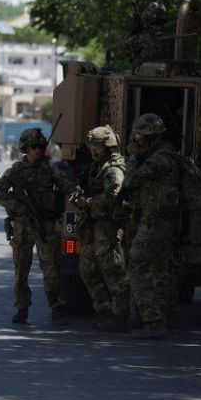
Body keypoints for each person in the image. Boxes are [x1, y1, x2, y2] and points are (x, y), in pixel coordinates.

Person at [0, 128, 75, 326]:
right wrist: (18, 207)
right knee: (21, 269)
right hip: (23, 227)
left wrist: (82, 198)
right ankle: (22, 309)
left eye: (41, 146)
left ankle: (57, 308)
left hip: (45, 225)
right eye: (34, 147)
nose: (38, 150)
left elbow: (68, 187)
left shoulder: (50, 169)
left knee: (51, 269)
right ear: (25, 148)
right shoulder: (15, 171)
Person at [122, 113, 181, 339]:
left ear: (150, 137)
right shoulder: (162, 156)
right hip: (157, 220)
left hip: (155, 221)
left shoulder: (159, 160)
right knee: (160, 268)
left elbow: (130, 181)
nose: (137, 140)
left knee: (136, 264)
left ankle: (152, 320)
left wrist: (134, 158)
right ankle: (169, 314)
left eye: (139, 136)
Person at [71, 125, 131, 332]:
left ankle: (121, 314)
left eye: (96, 146)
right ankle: (104, 311)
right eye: (91, 146)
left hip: (108, 225)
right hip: (93, 226)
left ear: (107, 146)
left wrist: (87, 202)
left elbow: (111, 197)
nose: (92, 150)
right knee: (87, 269)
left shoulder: (113, 169)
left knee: (114, 271)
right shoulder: (96, 166)